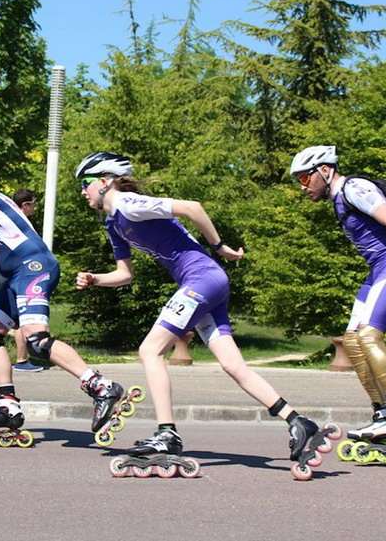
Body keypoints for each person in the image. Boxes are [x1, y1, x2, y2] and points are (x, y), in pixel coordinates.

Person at [74, 151, 326, 466]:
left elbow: (193, 208)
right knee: (234, 366)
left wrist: (219, 246)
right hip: (205, 285)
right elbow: (125, 274)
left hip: (202, 280)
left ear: (105, 181)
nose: (82, 191)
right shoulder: (114, 223)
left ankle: (167, 434)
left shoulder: (127, 203)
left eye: (85, 183)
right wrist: (95, 279)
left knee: (150, 351)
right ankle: (298, 422)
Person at [0, 156, 124, 436]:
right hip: (15, 277)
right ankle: (7, 407)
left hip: (32, 268)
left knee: (36, 340)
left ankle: (100, 386)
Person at [289, 145, 386, 447]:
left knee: (369, 336)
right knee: (352, 340)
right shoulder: (339, 199)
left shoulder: (353, 187)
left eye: (305, 179)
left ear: (324, 169)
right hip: (381, 268)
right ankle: (382, 413)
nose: (302, 187)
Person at [8, 188, 44, 372]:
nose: (35, 208)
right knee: (22, 319)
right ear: (25, 205)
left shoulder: (15, 221)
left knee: (13, 318)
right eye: (33, 204)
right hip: (20, 273)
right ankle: (22, 361)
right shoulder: (19, 224)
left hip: (16, 272)